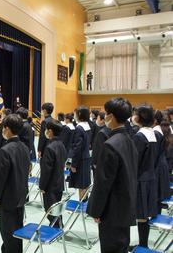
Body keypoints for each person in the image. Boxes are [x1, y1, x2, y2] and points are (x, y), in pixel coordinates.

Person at [87, 97, 138, 253]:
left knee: (111, 247)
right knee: (121, 246)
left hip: (112, 209)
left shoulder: (110, 145)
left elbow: (103, 183)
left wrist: (96, 210)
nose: (104, 117)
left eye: (107, 113)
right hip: (126, 206)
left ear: (112, 116)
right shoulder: (129, 140)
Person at [0, 114, 30, 253]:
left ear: (6, 128)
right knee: (17, 232)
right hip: (20, 196)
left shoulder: (5, 151)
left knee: (8, 234)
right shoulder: (25, 148)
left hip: (7, 200)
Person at [130, 104, 161, 249]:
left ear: (140, 117)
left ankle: (143, 246)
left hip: (140, 179)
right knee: (144, 215)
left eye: (135, 113)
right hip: (150, 177)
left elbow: (134, 161)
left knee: (141, 216)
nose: (133, 116)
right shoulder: (153, 134)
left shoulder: (140, 136)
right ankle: (143, 244)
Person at [39, 120, 67, 228]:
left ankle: (56, 227)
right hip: (59, 181)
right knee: (57, 207)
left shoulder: (50, 148)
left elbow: (46, 171)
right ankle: (58, 224)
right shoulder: (61, 145)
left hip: (50, 184)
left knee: (50, 208)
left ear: (50, 131)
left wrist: (42, 186)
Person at [69, 106, 92, 200]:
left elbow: (77, 147)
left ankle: (81, 207)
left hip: (80, 160)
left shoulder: (79, 128)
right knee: (85, 182)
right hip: (86, 157)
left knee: (81, 184)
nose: (74, 115)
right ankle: (85, 203)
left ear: (79, 114)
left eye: (75, 113)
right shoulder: (88, 126)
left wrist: (73, 164)